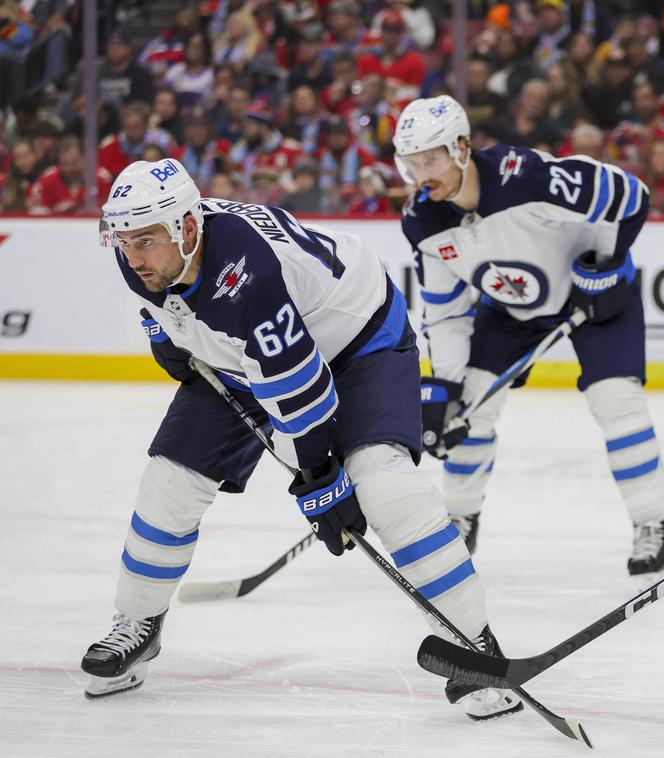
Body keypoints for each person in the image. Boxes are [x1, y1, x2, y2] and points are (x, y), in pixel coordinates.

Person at [81, 158, 521, 721]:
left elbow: (303, 391)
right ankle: (137, 622)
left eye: (143, 240)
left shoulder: (247, 272)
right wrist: (164, 332)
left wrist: (320, 479)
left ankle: (473, 642)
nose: (132, 256)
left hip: (361, 338)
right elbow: (166, 312)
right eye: (122, 241)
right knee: (169, 479)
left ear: (188, 228)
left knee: (382, 482)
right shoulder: (145, 258)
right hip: (245, 354)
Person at [395, 96, 664, 575]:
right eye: (412, 163)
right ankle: (460, 518)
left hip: (595, 297)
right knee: (469, 409)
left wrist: (606, 265)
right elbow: (444, 312)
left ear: (461, 147)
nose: (423, 175)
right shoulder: (422, 219)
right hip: (509, 309)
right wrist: (447, 386)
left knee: (616, 401)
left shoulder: (524, 177)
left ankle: (651, 524)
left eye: (432, 159)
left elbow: (632, 196)